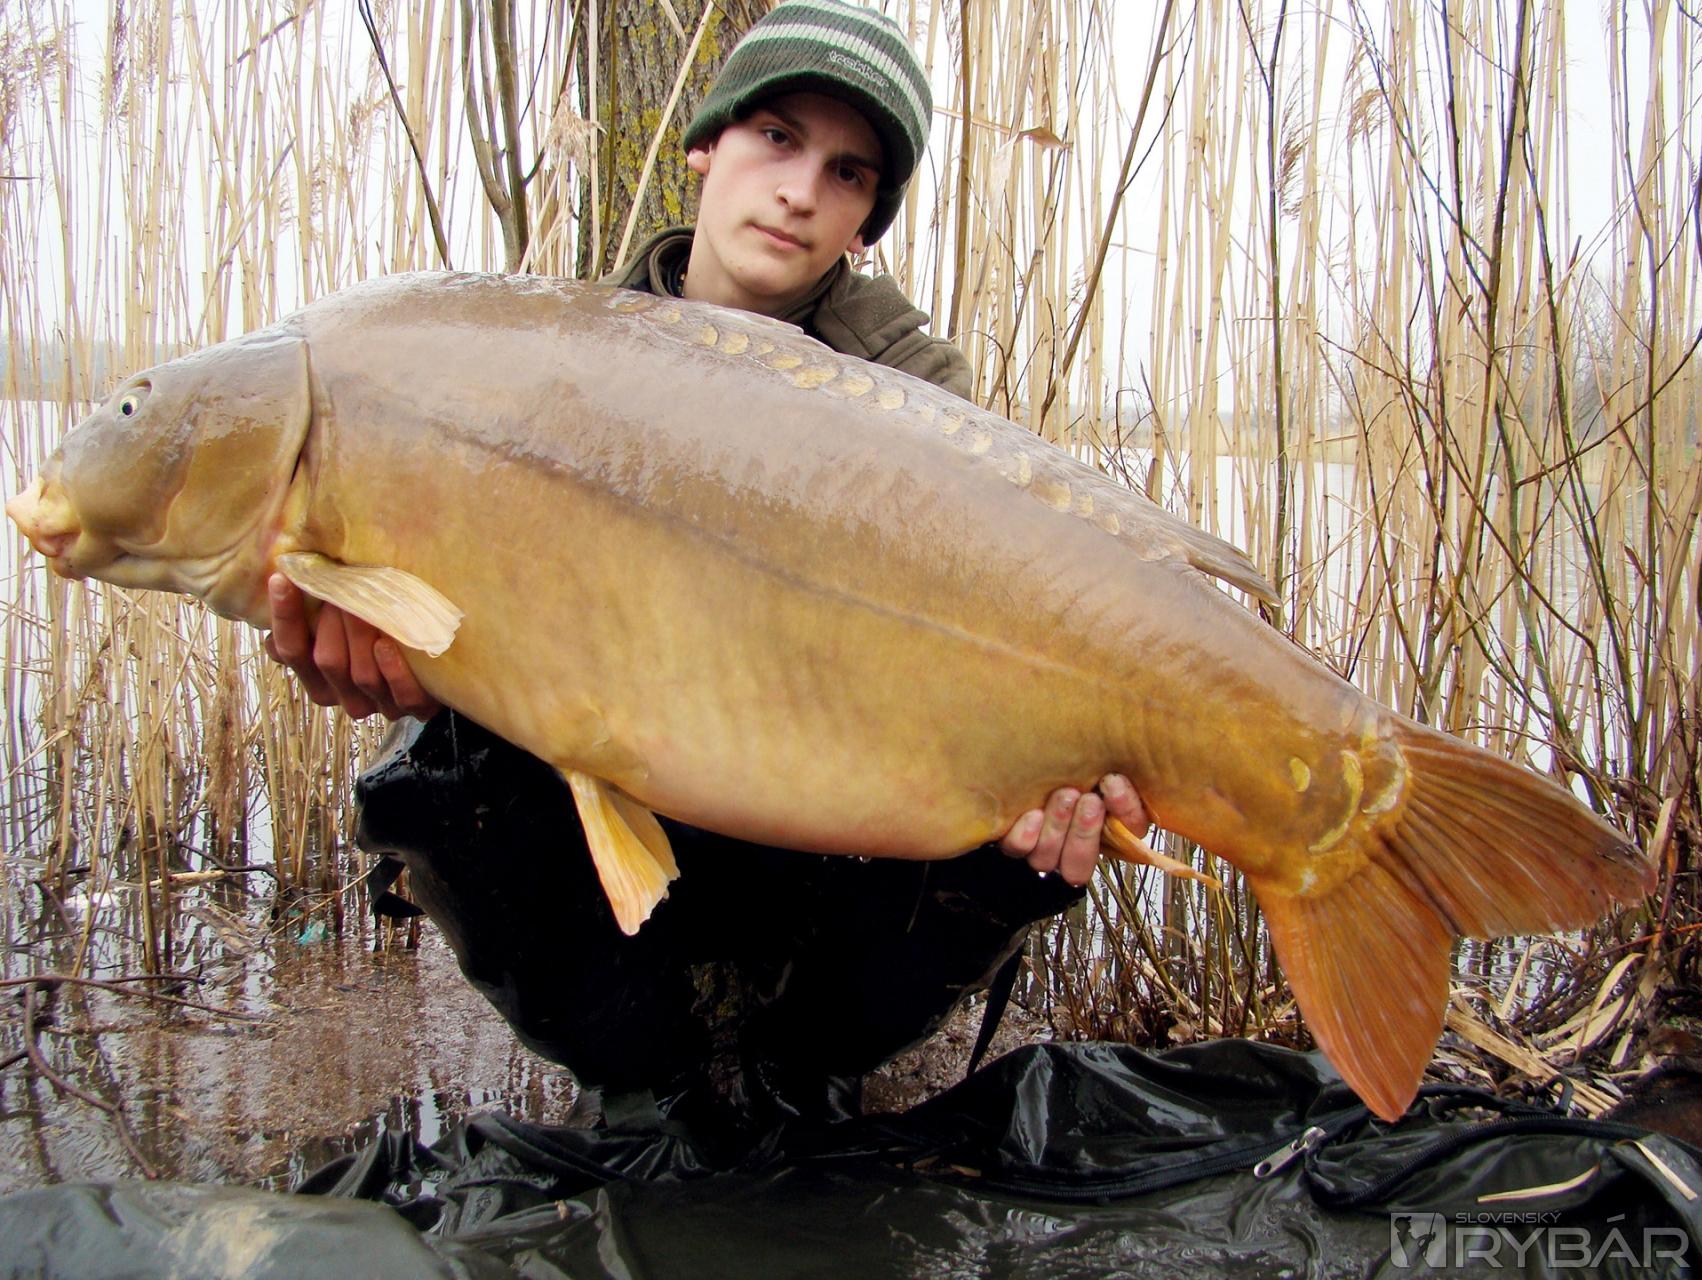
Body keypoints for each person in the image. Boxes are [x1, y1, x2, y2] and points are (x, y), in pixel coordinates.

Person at [265, 0, 1148, 1126]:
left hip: (827, 782)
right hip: (640, 754)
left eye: (847, 173)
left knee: (1027, 843)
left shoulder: (917, 399)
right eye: (776, 138)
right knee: (436, 763)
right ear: (706, 146)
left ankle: (818, 1057)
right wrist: (408, 662)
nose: (799, 191)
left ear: (865, 221)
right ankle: (634, 1067)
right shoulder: (561, 351)